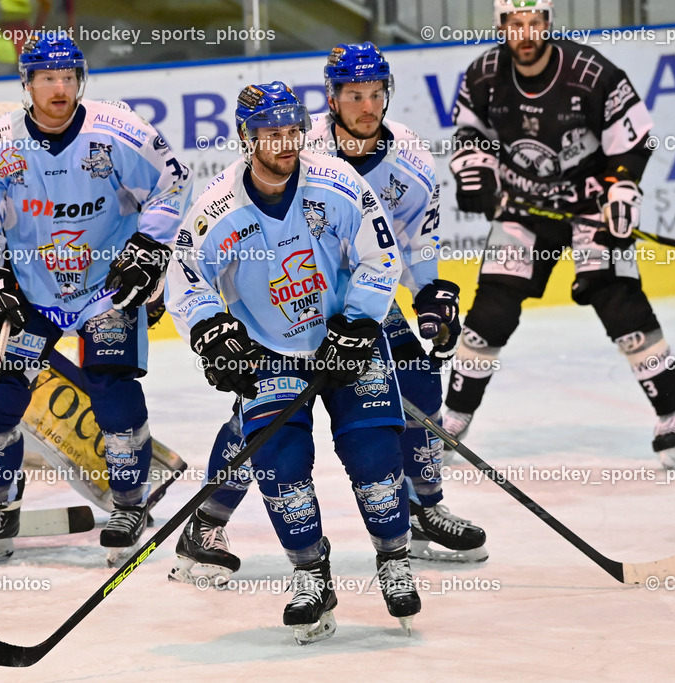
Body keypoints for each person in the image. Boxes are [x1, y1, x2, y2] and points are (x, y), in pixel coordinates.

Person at [168, 42, 488, 589]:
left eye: (375, 94)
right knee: (263, 415)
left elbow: (412, 239)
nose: (367, 106)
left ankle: (422, 506)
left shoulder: (410, 158)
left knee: (416, 383)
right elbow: (203, 252)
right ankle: (209, 519)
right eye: (354, 95)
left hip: (356, 300)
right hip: (284, 307)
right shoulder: (299, 143)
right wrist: (211, 325)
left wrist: (430, 291)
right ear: (331, 98)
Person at [166, 81, 420, 644]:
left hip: (343, 338)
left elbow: (381, 254)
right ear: (247, 137)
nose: (285, 143)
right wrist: (210, 331)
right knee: (280, 465)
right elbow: (185, 278)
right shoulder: (217, 207)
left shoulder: (337, 182)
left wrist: (359, 323)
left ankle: (394, 559)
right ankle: (311, 574)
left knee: (374, 452)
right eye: (271, 134)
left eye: (292, 132)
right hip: (270, 351)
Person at [0, 32, 191, 563]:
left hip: (107, 286)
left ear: (80, 80)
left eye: (67, 77)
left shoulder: (120, 131)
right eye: (46, 78)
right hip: (31, 288)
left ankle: (129, 503)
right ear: (27, 84)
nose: (59, 89)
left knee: (113, 390)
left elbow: (173, 184)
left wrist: (150, 246)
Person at [443, 0, 675, 469]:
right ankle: (454, 417)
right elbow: (470, 133)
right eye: (515, 24)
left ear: (548, 23)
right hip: (524, 208)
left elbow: (634, 140)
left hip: (590, 207)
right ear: (501, 26)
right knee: (490, 313)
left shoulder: (591, 73)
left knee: (621, 306)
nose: (526, 33)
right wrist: (474, 169)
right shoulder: (483, 75)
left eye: (534, 22)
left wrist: (622, 187)